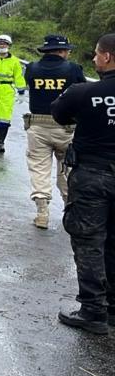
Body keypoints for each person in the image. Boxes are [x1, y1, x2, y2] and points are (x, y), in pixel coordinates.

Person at [52, 33, 115, 335]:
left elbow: (59, 113)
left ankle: (93, 309)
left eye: (96, 54)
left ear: (107, 57)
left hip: (92, 176)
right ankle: (113, 307)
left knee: (89, 241)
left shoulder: (83, 92)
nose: (93, 59)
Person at [24, 35, 88, 228]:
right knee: (68, 169)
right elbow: (83, 92)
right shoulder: (73, 69)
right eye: (67, 50)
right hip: (66, 128)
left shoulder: (32, 68)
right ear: (61, 51)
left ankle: (42, 212)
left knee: (39, 168)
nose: (69, 53)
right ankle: (71, 209)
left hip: (38, 125)